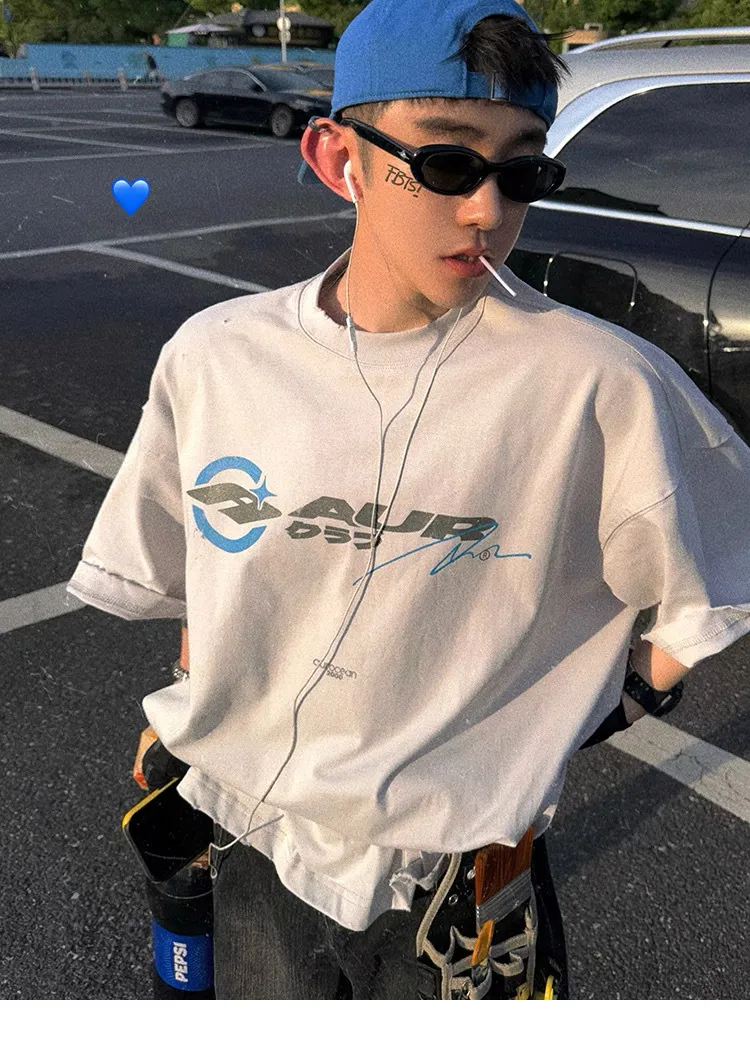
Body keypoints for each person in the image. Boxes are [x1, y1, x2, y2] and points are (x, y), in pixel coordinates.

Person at [67, 0, 750, 1000]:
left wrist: (620, 696)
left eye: (521, 172)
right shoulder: (219, 358)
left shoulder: (599, 384)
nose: (487, 211)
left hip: (458, 885)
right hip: (248, 831)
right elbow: (201, 571)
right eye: (446, 163)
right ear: (337, 158)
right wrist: (186, 708)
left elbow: (726, 566)